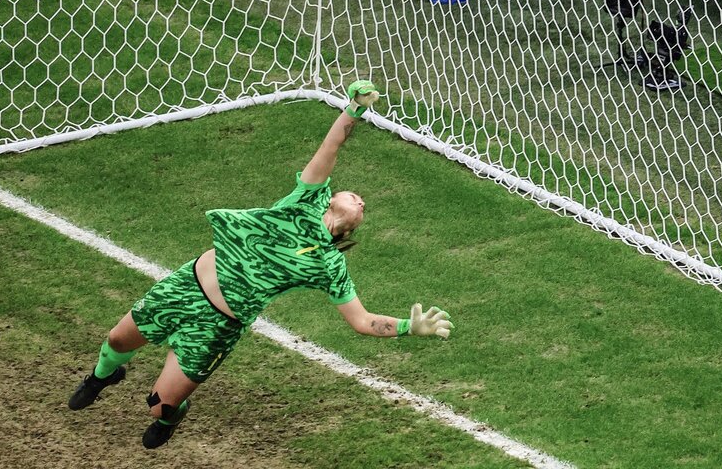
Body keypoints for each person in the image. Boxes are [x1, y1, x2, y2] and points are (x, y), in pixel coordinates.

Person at [67, 80, 454, 449]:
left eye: (363, 206)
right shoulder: (307, 198)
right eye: (356, 195)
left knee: (161, 404)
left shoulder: (329, 265)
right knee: (118, 339)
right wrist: (354, 108)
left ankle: (169, 418)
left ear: (353, 225)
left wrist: (409, 327)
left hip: (219, 326)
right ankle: (104, 375)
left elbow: (362, 320)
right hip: (187, 286)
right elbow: (331, 145)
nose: (361, 200)